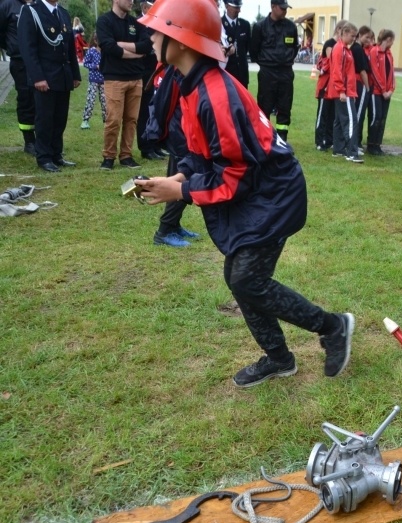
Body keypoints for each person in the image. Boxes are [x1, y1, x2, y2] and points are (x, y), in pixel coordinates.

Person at [135, 0, 355, 387]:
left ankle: (333, 327)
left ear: (181, 42)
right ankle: (279, 358)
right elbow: (200, 152)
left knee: (247, 279)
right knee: (240, 277)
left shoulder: (214, 94)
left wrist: (182, 192)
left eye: (158, 31)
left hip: (274, 195)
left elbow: (233, 177)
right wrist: (180, 176)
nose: (151, 36)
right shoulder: (191, 85)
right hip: (257, 192)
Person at [17, 0, 81, 173]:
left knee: (60, 118)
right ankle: (44, 157)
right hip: (44, 77)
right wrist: (37, 77)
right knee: (45, 119)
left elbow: (69, 49)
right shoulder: (31, 11)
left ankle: (56, 154)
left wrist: (75, 74)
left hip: (63, 76)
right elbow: (27, 48)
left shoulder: (63, 13)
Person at [142, 63, 200, 247]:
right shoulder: (176, 67)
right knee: (183, 177)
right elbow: (163, 103)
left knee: (177, 175)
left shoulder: (177, 66)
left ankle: (173, 225)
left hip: (180, 128)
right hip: (180, 130)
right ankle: (165, 230)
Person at [97, 0, 152, 171]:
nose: (132, 1)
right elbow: (108, 47)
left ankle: (126, 156)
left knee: (131, 120)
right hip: (114, 77)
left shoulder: (136, 23)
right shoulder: (104, 21)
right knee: (113, 119)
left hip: (136, 77)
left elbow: (146, 45)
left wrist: (122, 46)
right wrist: (136, 54)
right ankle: (108, 156)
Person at [250, 0, 299, 141]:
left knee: (285, 107)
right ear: (273, 7)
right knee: (265, 106)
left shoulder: (291, 27)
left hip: (286, 72)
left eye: (286, 8)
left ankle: (282, 139)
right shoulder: (260, 27)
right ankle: (264, 138)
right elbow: (254, 51)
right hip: (268, 72)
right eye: (282, 8)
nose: (285, 11)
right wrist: (267, 63)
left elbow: (294, 48)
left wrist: (285, 60)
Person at [0, 0, 37, 155]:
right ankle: (29, 141)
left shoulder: (39, 4)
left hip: (39, 61)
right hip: (20, 61)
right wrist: (12, 46)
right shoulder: (7, 5)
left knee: (43, 100)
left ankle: (44, 139)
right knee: (26, 98)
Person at [328, 21, 361, 163]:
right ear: (345, 33)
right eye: (352, 36)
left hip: (346, 91)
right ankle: (352, 152)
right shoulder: (339, 49)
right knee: (351, 120)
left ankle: (339, 149)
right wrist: (342, 91)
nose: (354, 39)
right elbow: (337, 71)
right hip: (344, 92)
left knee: (339, 120)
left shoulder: (345, 49)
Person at [136, 0, 165, 161]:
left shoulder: (157, 24)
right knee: (145, 112)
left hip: (158, 72)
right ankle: (145, 147)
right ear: (145, 8)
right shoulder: (140, 24)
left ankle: (156, 145)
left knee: (157, 110)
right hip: (145, 73)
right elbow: (145, 46)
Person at [314, 20, 344, 152]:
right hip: (325, 86)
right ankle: (320, 141)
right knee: (323, 114)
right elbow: (332, 63)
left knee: (332, 115)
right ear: (338, 30)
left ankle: (329, 140)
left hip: (334, 87)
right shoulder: (330, 44)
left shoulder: (341, 46)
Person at [366, 28, 395, 156]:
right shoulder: (374, 51)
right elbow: (375, 72)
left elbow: (392, 73)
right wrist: (383, 90)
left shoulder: (389, 54)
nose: (392, 43)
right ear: (387, 39)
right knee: (375, 118)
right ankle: (371, 144)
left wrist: (391, 89)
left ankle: (378, 144)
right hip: (376, 92)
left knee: (382, 118)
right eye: (392, 40)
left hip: (386, 93)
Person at [351, 26, 373, 152]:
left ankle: (356, 143)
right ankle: (355, 143)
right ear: (360, 35)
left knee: (359, 115)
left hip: (358, 83)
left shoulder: (357, 48)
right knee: (358, 115)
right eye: (367, 37)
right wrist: (367, 87)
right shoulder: (358, 49)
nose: (368, 40)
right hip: (360, 84)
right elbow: (363, 71)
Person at [221, 0, 250, 88]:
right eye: (235, 7)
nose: (238, 10)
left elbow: (246, 48)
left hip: (242, 75)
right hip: (226, 74)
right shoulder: (219, 24)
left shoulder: (245, 25)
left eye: (239, 7)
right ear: (226, 6)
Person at [80, 33, 107, 130]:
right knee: (90, 100)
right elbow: (85, 64)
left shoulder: (105, 52)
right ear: (96, 41)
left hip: (104, 81)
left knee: (105, 102)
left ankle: (106, 122)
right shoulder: (91, 51)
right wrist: (95, 67)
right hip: (93, 80)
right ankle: (85, 120)